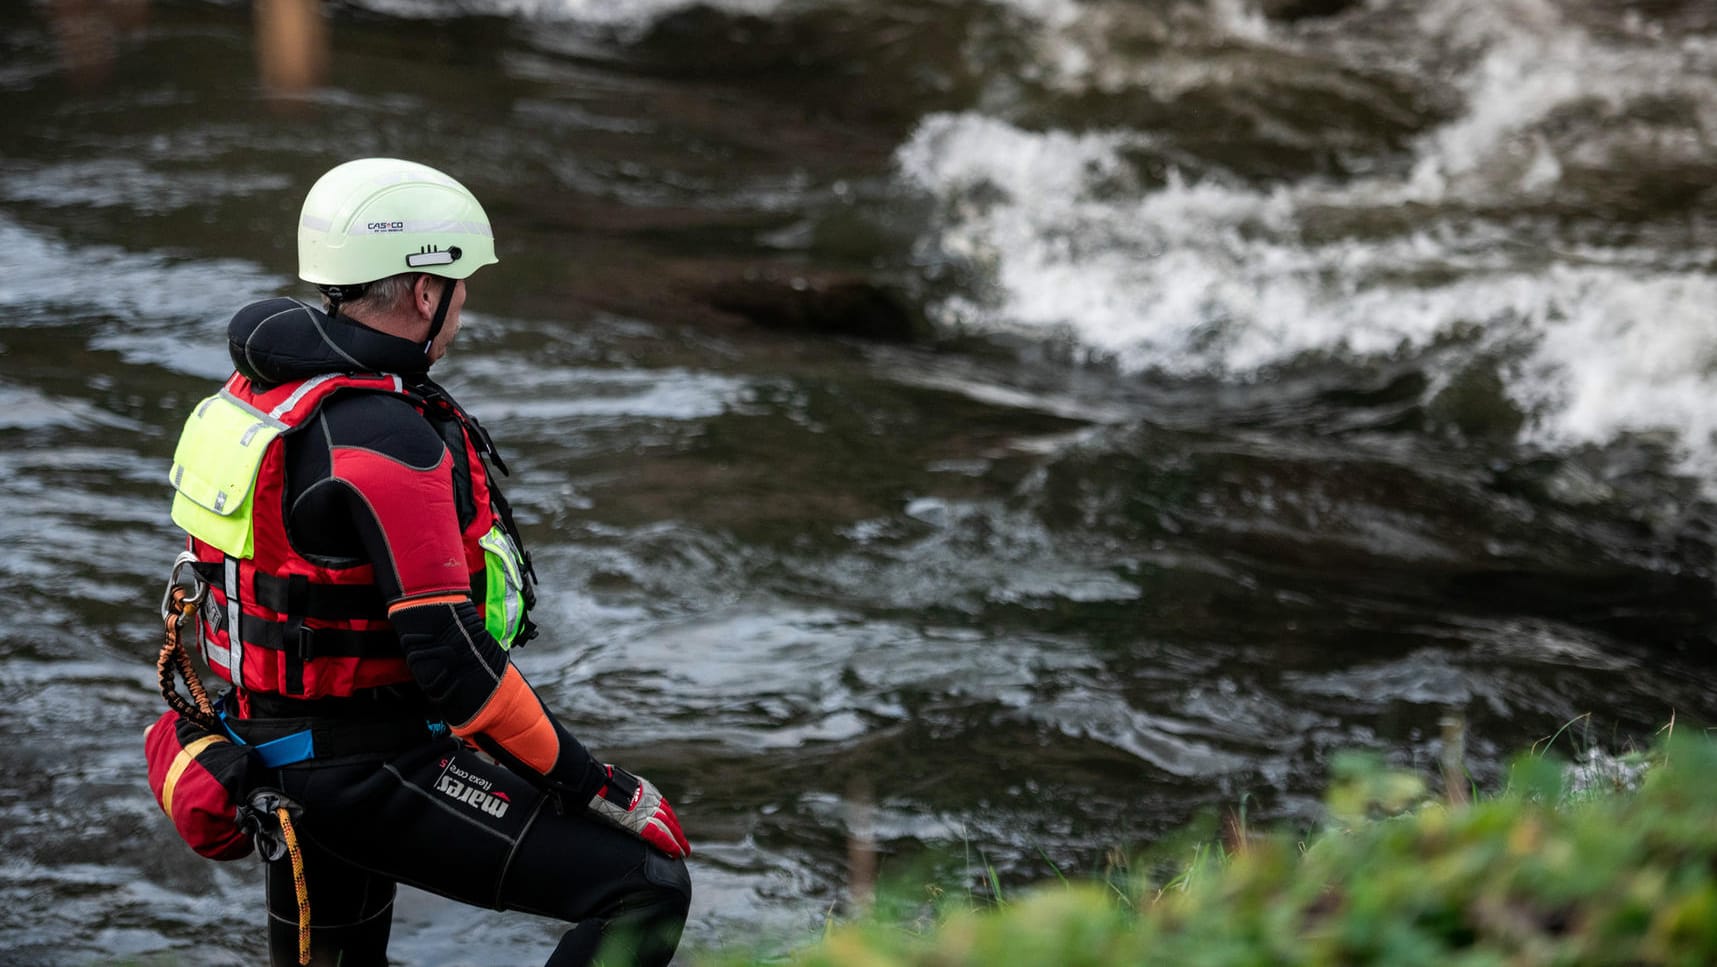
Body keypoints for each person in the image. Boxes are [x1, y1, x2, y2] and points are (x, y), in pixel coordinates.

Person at [161, 157, 692, 966]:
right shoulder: (384, 434)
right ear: (423, 290)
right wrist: (597, 783)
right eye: (461, 284)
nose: (464, 303)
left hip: (271, 753)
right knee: (644, 884)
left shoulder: (266, 391)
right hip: (363, 769)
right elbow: (451, 661)